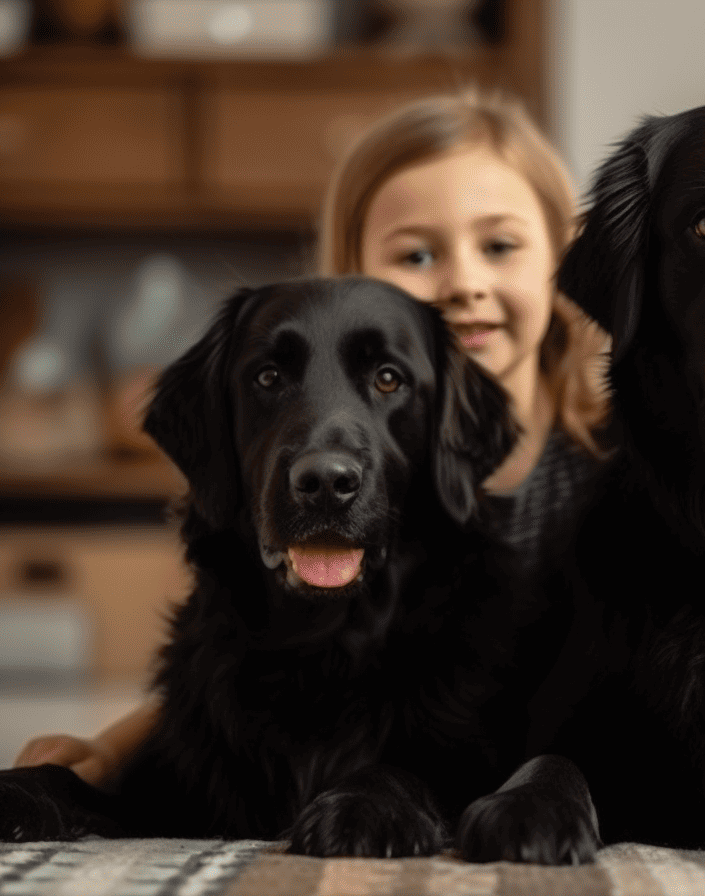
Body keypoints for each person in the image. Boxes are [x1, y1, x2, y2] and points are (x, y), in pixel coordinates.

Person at [14, 87, 610, 782]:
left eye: (500, 245)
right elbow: (237, 654)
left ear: (560, 260)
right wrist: (113, 751)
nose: (464, 282)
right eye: (416, 257)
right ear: (348, 272)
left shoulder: (610, 464)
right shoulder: (315, 457)